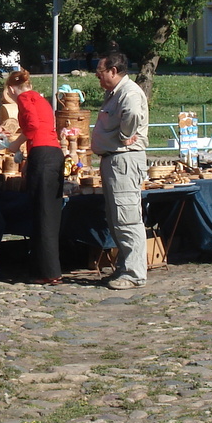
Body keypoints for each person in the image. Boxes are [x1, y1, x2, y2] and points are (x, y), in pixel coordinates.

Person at [92, 51, 150, 289]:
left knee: (127, 218)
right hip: (114, 160)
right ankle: (125, 269)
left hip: (124, 160)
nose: (98, 77)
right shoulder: (114, 93)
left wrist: (126, 135)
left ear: (113, 71)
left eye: (100, 72)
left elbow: (133, 114)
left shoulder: (129, 92)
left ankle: (135, 274)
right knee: (116, 218)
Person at [2, 70, 64, 285]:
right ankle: (51, 267)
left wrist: (15, 145)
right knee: (51, 212)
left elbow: (32, 127)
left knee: (42, 213)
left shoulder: (24, 98)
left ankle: (47, 271)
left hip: (43, 155)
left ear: (11, 88)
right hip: (55, 154)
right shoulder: (40, 99)